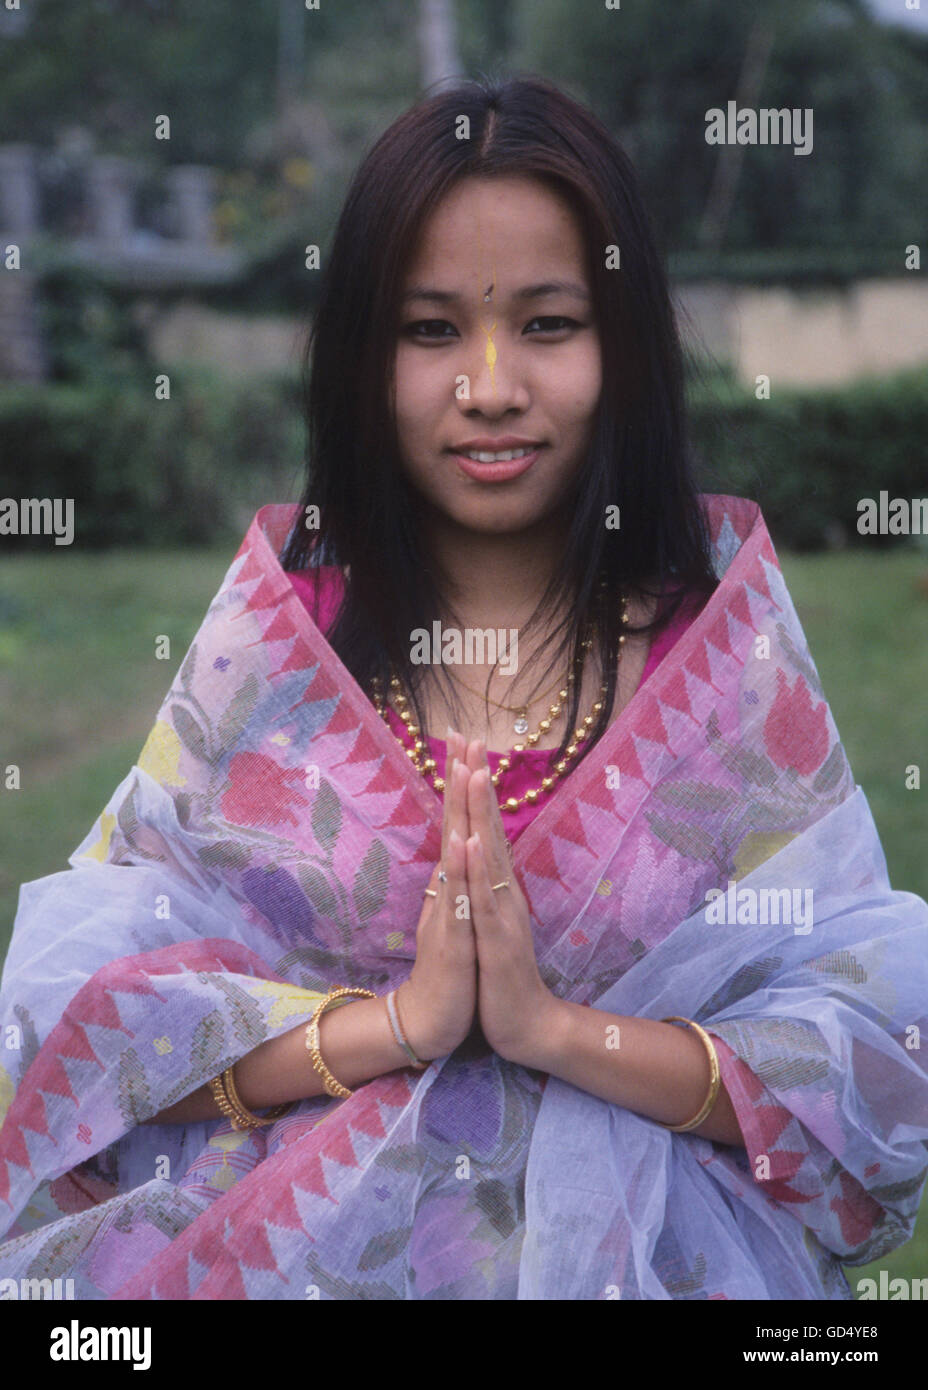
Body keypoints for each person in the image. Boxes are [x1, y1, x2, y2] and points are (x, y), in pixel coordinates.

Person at [0, 74, 926, 1301]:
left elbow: (858, 1052)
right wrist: (400, 1028)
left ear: (627, 341)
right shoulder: (285, 646)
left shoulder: (722, 648)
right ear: (360, 356)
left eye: (547, 324)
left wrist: (552, 1034)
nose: (489, 387)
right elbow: (101, 1024)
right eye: (430, 330)